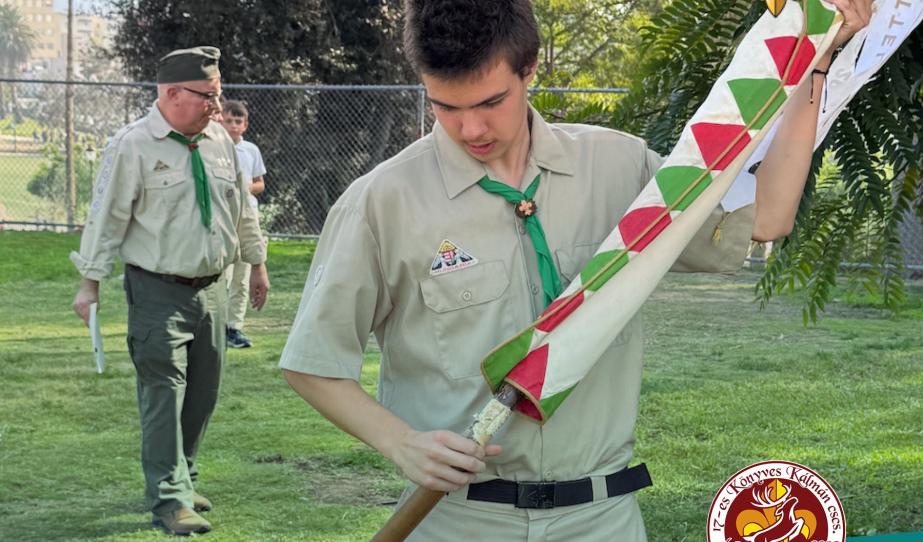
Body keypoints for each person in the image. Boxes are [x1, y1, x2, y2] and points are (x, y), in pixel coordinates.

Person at [279, 1, 872, 539]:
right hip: (457, 519)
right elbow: (312, 363)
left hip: (602, 518)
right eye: (446, 107)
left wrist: (815, 62)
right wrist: (400, 442)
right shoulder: (381, 202)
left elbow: (767, 216)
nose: (470, 129)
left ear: (530, 69)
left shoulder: (618, 165)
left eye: (490, 102)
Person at [70, 46, 270, 536]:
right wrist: (90, 282)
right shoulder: (133, 145)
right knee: (163, 392)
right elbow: (106, 216)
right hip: (157, 290)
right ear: (172, 92)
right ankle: (168, 498)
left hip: (213, 288)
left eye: (218, 95)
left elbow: (241, 210)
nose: (216, 106)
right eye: (207, 96)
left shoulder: (219, 140)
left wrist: (257, 264)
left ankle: (183, 476)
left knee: (203, 392)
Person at [219, 99, 267, 349]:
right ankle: (215, 324)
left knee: (242, 273)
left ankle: (234, 327)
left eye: (238, 121)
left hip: (247, 216)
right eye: (229, 121)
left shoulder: (250, 150)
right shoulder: (215, 148)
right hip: (224, 216)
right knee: (222, 274)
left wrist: (246, 187)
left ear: (245, 125)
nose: (233, 126)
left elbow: (260, 183)